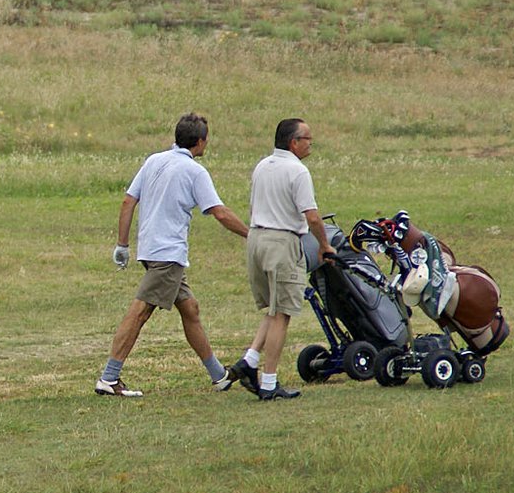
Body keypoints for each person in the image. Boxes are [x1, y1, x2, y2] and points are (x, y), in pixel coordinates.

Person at [97, 112, 249, 397]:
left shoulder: (154, 160)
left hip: (151, 250)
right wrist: (252, 236)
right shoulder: (194, 171)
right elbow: (219, 212)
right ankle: (109, 378)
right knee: (140, 312)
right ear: (200, 141)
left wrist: (122, 245)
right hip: (168, 254)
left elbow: (129, 201)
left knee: (190, 309)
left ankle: (219, 376)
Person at [229, 119, 336, 400]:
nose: (311, 143)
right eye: (307, 138)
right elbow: (311, 216)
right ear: (293, 142)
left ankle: (250, 360)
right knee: (283, 314)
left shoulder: (262, 166)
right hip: (282, 242)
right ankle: (269, 382)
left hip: (256, 239)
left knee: (272, 309)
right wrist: (324, 245)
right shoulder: (298, 171)